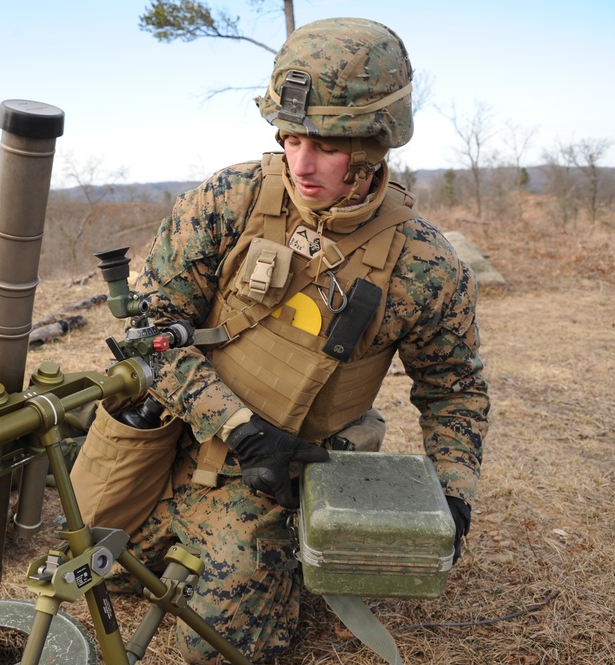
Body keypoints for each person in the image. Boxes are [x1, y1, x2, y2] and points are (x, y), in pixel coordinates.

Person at [99, 17, 489, 663]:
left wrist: (453, 493)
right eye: (289, 136)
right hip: (177, 437)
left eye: (326, 145)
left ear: (374, 144)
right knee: (93, 564)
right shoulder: (231, 198)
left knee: (214, 646)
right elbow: (150, 331)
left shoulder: (424, 265)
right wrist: (235, 423)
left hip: (280, 474)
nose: (300, 163)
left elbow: (454, 389)